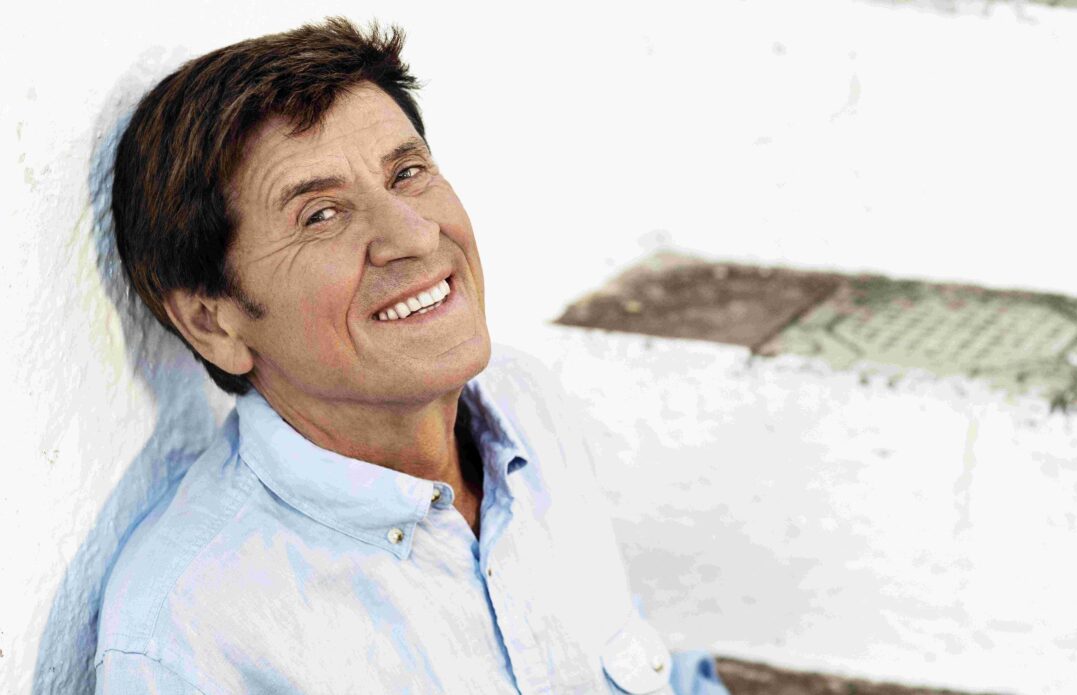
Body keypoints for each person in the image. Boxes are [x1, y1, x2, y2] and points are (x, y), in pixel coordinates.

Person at [95, 18, 727, 694]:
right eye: (321, 215)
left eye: (407, 172)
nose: (416, 235)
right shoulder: (189, 637)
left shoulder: (526, 401)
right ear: (212, 322)